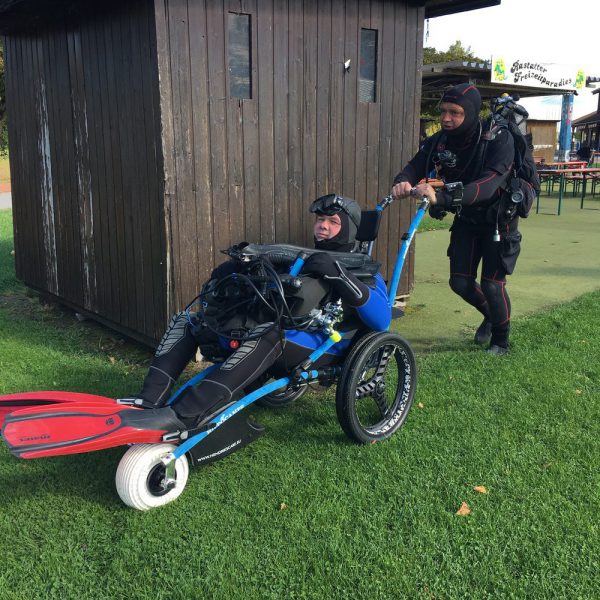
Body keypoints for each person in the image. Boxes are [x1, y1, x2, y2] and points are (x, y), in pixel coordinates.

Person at [120, 195, 391, 429]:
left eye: (333, 222)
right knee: (189, 322)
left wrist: (341, 276)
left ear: (349, 231)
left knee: (269, 336)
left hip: (325, 345)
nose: (323, 225)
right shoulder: (299, 257)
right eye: (320, 219)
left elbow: (382, 319)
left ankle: (184, 414)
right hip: (276, 329)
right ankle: (149, 400)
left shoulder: (365, 271)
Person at [392, 83, 521, 355]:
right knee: (460, 282)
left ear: (471, 113)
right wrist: (403, 180)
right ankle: (491, 316)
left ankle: (501, 341)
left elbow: (488, 185)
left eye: (455, 112)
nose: (446, 118)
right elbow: (417, 164)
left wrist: (442, 198)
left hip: (499, 219)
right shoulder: (441, 140)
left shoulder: (499, 139)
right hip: (467, 217)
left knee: (492, 285)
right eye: (443, 111)